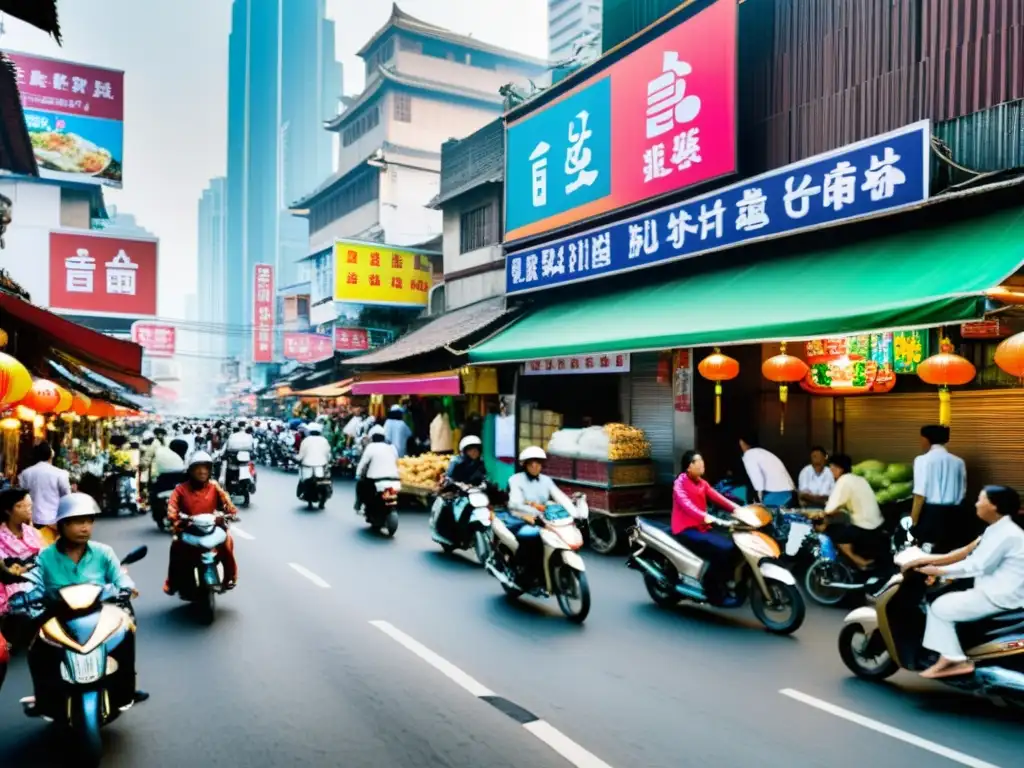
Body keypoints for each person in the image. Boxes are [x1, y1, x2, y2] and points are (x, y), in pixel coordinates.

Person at [26, 493, 147, 710]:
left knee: (126, 632)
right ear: (62, 525)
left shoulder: (103, 552)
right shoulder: (44, 557)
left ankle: (127, 685)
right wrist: (27, 595)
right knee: (36, 645)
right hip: (57, 613)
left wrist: (127, 587)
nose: (85, 527)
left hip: (99, 612)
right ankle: (42, 697)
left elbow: (119, 576)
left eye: (88, 521)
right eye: (77, 522)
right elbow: (32, 582)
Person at [904, 485, 1024, 679]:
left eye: (980, 499)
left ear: (993, 506)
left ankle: (954, 659)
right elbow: (966, 552)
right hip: (1000, 590)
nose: (976, 504)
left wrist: (939, 570)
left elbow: (977, 565)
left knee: (939, 607)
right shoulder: (998, 529)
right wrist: (928, 561)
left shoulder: (1006, 534)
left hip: (997, 596)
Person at [165, 452, 238, 594]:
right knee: (175, 547)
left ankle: (230, 577)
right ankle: (172, 583)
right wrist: (175, 517)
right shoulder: (180, 489)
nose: (202, 471)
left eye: (205, 467)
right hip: (188, 528)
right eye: (198, 468)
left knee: (228, 542)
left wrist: (229, 513)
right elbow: (172, 508)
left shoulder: (214, 486)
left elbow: (228, 505)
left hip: (212, 527)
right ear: (190, 471)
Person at [671, 450, 740, 601]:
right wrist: (707, 517)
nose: (703, 464)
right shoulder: (680, 483)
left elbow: (719, 499)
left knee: (733, 545)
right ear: (689, 467)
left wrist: (740, 510)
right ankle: (713, 591)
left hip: (702, 527)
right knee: (722, 549)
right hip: (685, 529)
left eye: (703, 461)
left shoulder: (702, 483)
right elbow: (687, 505)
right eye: (698, 461)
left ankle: (725, 580)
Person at [506, 447, 578, 583]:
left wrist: (575, 513)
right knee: (533, 538)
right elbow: (515, 504)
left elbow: (560, 497)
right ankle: (525, 573)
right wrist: (534, 512)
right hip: (520, 517)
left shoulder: (546, 480)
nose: (534, 466)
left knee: (562, 537)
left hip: (544, 518)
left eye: (538, 462)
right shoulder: (515, 480)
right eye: (531, 463)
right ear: (524, 464)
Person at [811, 454, 886, 569]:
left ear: (838, 469)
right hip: (877, 524)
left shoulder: (843, 480)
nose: (830, 471)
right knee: (838, 521)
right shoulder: (859, 479)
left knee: (832, 530)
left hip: (865, 527)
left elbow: (829, 509)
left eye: (831, 468)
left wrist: (818, 516)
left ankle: (858, 561)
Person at [912, 424, 968, 553]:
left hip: (932, 515)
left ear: (926, 439)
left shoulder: (922, 460)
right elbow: (963, 491)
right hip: (956, 514)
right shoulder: (959, 461)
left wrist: (913, 521)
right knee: (950, 552)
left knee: (929, 554)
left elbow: (920, 494)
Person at [0, 489, 45, 617]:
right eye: (20, 506)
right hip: (11, 589)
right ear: (7, 511)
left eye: (29, 505)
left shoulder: (33, 532)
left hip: (39, 582)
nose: (27, 509)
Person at [18, 442, 71, 545]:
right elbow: (67, 497)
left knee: (36, 549)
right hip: (54, 521)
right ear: (51, 455)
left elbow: (22, 496)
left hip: (32, 520)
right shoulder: (60, 473)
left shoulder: (26, 473)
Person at [739, 437, 795, 507]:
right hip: (786, 492)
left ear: (742, 443)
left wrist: (759, 499)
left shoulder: (749, 454)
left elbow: (757, 478)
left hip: (775, 494)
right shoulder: (760, 452)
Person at [354, 425, 400, 512]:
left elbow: (363, 462)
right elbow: (397, 461)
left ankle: (358, 504)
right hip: (394, 478)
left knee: (360, 485)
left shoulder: (371, 447)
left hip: (375, 479)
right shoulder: (392, 447)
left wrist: (357, 473)